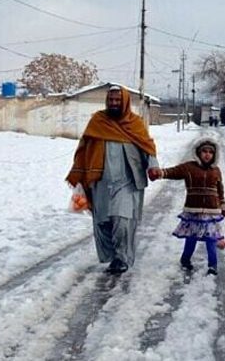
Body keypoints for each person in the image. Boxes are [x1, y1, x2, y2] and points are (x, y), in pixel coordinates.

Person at [67, 85, 159, 274]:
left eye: (117, 100)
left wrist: (153, 165)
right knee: (103, 222)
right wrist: (80, 174)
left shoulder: (135, 123)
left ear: (124, 101)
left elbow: (147, 147)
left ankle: (122, 257)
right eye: (111, 100)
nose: (114, 103)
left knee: (122, 220)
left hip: (127, 182)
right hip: (99, 181)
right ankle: (112, 256)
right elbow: (84, 148)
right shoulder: (97, 121)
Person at [148, 139, 225, 275]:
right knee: (191, 238)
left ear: (214, 155)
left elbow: (220, 189)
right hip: (193, 211)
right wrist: (159, 173)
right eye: (204, 151)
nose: (207, 155)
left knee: (211, 240)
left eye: (210, 152)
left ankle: (212, 265)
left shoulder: (216, 170)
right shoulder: (189, 167)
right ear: (198, 152)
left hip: (211, 212)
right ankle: (185, 260)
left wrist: (223, 204)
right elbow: (173, 172)